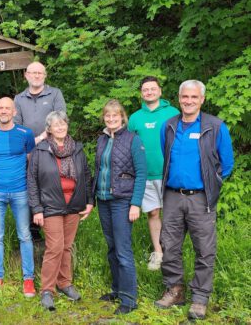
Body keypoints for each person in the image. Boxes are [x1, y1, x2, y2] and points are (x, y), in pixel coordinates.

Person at [154, 80, 234, 320]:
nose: (188, 101)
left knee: (204, 249)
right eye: (184, 97)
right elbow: (164, 154)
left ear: (202, 99)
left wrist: (211, 184)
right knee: (169, 245)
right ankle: (175, 290)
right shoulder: (168, 126)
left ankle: (200, 298)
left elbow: (226, 164)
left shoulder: (216, 127)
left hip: (201, 198)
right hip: (172, 196)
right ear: (179, 99)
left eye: (194, 97)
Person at [27, 111, 94, 311]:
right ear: (49, 128)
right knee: (55, 247)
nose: (60, 127)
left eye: (63, 124)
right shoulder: (40, 150)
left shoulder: (77, 149)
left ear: (67, 126)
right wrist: (36, 209)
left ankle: (65, 283)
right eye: (56, 125)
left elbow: (87, 175)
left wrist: (89, 200)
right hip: (50, 206)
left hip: (73, 205)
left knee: (66, 246)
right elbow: (32, 181)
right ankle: (47, 290)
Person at [93, 99, 147, 315]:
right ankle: (117, 289)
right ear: (104, 117)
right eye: (108, 115)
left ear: (122, 117)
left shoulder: (133, 140)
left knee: (123, 250)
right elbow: (98, 171)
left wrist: (135, 203)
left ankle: (129, 298)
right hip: (104, 200)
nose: (111, 118)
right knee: (112, 248)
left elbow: (141, 174)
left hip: (123, 201)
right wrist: (91, 199)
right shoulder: (102, 140)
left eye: (115, 115)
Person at [0, 97, 36, 297]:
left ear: (14, 112)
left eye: (8, 108)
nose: (4, 111)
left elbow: (32, 163)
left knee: (25, 235)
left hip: (21, 191)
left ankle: (28, 279)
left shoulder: (25, 134)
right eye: (1, 108)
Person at [128, 76, 179, 271]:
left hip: (169, 173)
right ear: (141, 93)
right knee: (153, 212)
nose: (149, 92)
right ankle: (158, 253)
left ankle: (172, 252)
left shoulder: (172, 113)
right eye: (145, 90)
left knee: (172, 214)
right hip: (145, 175)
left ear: (160, 91)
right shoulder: (135, 118)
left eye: (152, 89)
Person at [14, 61, 67, 242]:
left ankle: (54, 226)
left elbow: (60, 120)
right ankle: (33, 229)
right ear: (26, 75)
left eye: (40, 73)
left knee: (51, 186)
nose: (36, 76)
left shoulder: (55, 94)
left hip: (51, 149)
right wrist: (31, 143)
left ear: (45, 76)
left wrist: (44, 136)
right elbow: (17, 127)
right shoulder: (19, 99)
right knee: (31, 187)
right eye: (33, 73)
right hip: (28, 152)